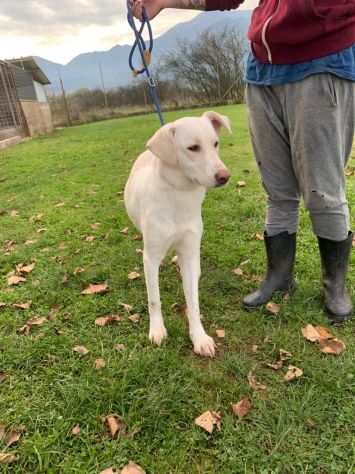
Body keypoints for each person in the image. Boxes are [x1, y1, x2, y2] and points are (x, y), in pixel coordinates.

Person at [131, 0, 355, 324]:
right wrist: (165, 1)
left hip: (322, 59)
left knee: (323, 189)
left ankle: (334, 285)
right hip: (263, 70)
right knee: (277, 190)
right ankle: (279, 277)